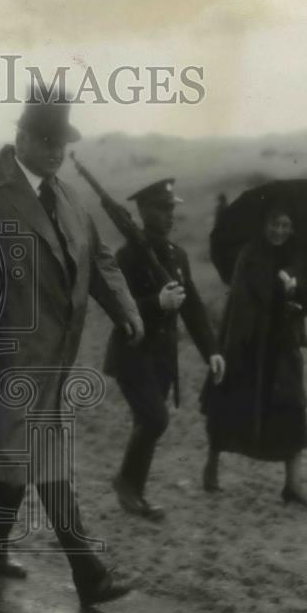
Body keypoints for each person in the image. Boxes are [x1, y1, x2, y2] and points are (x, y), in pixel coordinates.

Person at [0, 93, 144, 607]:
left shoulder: (69, 199)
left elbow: (100, 261)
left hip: (56, 357)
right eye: (45, 140)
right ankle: (88, 573)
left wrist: (127, 309)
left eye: (61, 141)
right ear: (19, 138)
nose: (56, 150)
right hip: (12, 356)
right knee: (46, 460)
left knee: (19, 458)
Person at [104, 180, 224, 521]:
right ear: (142, 212)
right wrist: (157, 303)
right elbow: (117, 307)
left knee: (150, 421)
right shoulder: (127, 256)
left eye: (172, 208)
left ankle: (131, 489)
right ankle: (128, 486)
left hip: (161, 358)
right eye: (161, 209)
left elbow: (193, 306)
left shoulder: (176, 254)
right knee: (155, 419)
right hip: (131, 354)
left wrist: (211, 350)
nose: (169, 215)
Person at [200, 207, 307, 505]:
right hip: (248, 342)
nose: (280, 231)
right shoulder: (250, 255)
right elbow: (242, 302)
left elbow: (306, 296)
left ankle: (293, 484)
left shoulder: (297, 256)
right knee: (228, 401)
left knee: (292, 405)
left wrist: (295, 296)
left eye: (286, 225)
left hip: (283, 344)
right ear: (264, 225)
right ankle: (211, 465)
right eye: (274, 223)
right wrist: (277, 291)